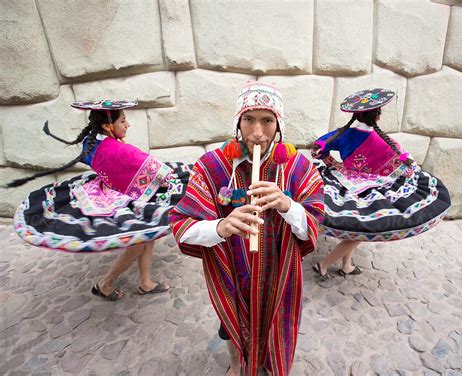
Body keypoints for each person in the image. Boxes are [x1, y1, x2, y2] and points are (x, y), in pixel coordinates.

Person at [169, 81, 325, 376]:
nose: (257, 133)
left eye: (267, 121)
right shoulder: (211, 166)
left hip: (279, 271)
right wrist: (222, 227)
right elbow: (182, 225)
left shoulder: (296, 166)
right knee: (231, 320)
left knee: (276, 319)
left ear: (278, 124)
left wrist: (287, 205)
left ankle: (267, 362)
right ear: (237, 122)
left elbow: (313, 225)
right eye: (248, 120)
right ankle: (236, 363)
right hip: (231, 268)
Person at [8, 100, 191, 300]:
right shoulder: (122, 151)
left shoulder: (92, 142)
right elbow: (161, 173)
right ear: (107, 126)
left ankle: (145, 282)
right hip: (119, 200)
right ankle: (105, 284)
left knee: (148, 235)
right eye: (123, 120)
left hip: (107, 190)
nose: (127, 125)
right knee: (137, 244)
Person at [311, 88, 451, 279]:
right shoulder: (383, 142)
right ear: (377, 116)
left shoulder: (343, 134)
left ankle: (347, 265)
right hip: (369, 191)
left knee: (354, 226)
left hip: (345, 183)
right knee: (360, 229)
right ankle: (324, 264)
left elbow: (319, 145)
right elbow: (404, 165)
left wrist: (333, 164)